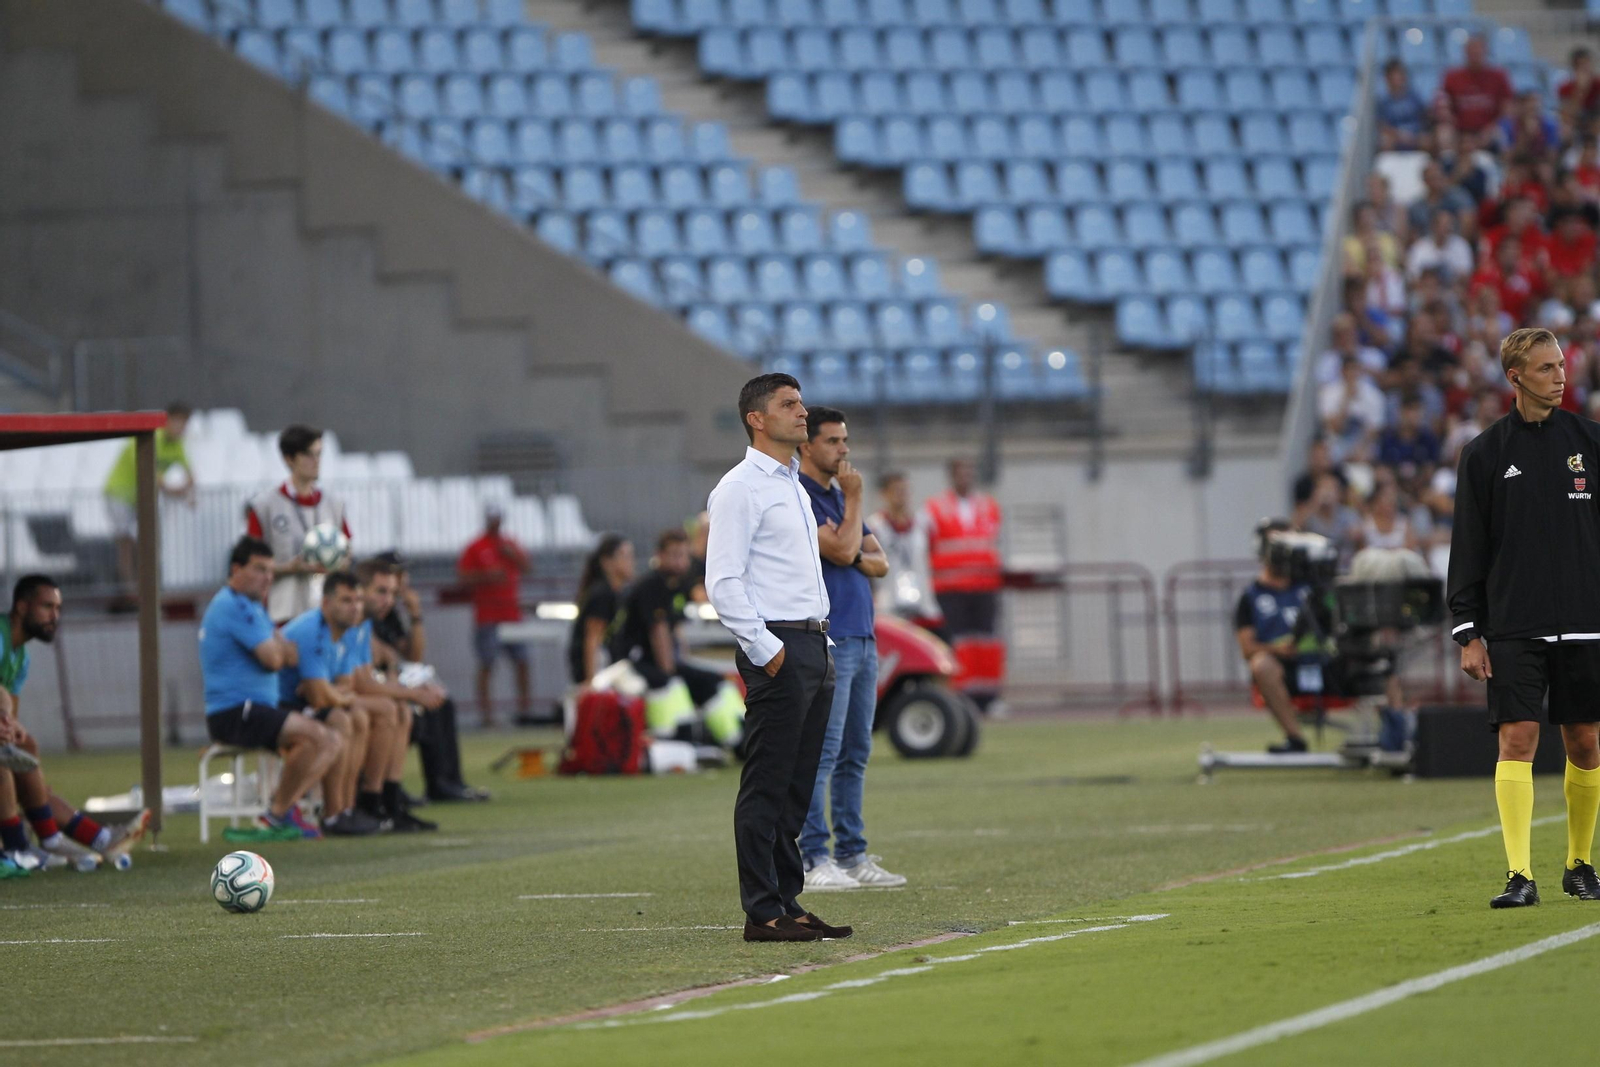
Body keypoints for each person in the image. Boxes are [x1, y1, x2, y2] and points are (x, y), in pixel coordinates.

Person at [1448, 327, 1600, 908]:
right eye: (1545, 368)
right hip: (1514, 625)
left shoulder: (1590, 441)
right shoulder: (1484, 454)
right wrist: (1468, 631)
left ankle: (1580, 864)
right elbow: (1469, 548)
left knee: (1585, 742)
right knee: (1517, 739)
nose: (1560, 376)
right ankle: (1519, 876)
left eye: (1561, 365)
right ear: (1515, 377)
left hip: (1586, 623)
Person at [706, 373, 846, 943]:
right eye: (788, 405)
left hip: (814, 643)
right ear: (756, 419)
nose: (802, 413)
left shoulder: (791, 481)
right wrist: (768, 651)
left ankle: (787, 900)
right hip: (780, 648)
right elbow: (723, 581)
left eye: (802, 403)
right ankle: (762, 910)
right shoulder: (741, 487)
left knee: (797, 786)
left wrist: (821, 646)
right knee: (767, 784)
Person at [796, 406, 901, 891]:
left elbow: (881, 563)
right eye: (834, 441)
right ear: (807, 446)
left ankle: (853, 853)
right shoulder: (802, 497)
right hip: (830, 636)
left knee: (856, 750)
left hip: (863, 634)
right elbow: (840, 552)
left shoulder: (839, 498)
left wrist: (853, 544)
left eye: (846, 441)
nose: (844, 451)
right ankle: (814, 856)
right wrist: (854, 501)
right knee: (824, 750)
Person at [0, 575, 152, 868]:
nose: (54, 616)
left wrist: (11, 726)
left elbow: (12, 720)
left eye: (58, 609)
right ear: (21, 607)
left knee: (25, 749)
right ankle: (23, 847)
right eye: (47, 607)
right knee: (6, 761)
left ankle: (78, 840)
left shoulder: (22, 658)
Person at [199, 538, 341, 841]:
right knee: (315, 735)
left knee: (330, 740)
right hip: (235, 712)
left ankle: (284, 810)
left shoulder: (252, 607)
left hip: (258, 709)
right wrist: (279, 650)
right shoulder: (234, 605)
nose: (267, 577)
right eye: (259, 569)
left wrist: (280, 649)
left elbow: (288, 651)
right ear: (236, 569)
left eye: (270, 570)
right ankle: (276, 815)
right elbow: (277, 658)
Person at [363, 555, 488, 802]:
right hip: (376, 685)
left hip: (387, 679)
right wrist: (411, 690)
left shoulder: (388, 613)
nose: (404, 582)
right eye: (400, 574)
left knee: (442, 702)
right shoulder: (363, 616)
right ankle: (391, 790)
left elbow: (413, 656)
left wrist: (415, 614)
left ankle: (448, 781)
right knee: (411, 707)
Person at [277, 571, 392, 835]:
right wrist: (335, 693)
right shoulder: (311, 630)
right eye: (346, 600)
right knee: (344, 718)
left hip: (305, 702)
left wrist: (333, 692)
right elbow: (319, 697)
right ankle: (331, 814)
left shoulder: (345, 631)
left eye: (358, 600)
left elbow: (344, 685)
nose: (355, 608)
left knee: (358, 715)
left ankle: (346, 810)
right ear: (326, 603)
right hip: (281, 704)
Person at [612, 529, 742, 743]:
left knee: (716, 681)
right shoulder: (652, 585)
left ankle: (737, 738)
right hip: (635, 662)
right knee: (672, 685)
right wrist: (673, 671)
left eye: (683, 555)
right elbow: (658, 632)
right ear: (660, 555)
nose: (680, 561)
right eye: (674, 554)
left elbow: (675, 630)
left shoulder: (677, 586)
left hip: (662, 661)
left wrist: (683, 663)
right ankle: (676, 739)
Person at [339, 577, 438, 832]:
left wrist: (402, 686)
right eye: (381, 592)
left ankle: (388, 802)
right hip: (311, 699)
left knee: (400, 711)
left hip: (341, 696)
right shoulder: (348, 624)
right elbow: (361, 684)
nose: (389, 601)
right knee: (387, 709)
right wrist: (411, 693)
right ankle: (362, 803)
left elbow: (381, 669)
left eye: (393, 594)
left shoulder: (364, 626)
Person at [247, 425, 350, 624]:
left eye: (319, 454)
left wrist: (337, 562)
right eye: (309, 455)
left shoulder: (333, 504)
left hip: (326, 615)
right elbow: (251, 566)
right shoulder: (265, 506)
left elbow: (347, 553)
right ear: (289, 459)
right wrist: (290, 568)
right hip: (283, 615)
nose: (316, 462)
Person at [923, 458, 1004, 705]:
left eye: (970, 471)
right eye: (961, 472)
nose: (966, 477)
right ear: (951, 476)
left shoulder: (988, 505)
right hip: (950, 588)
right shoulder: (934, 509)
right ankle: (959, 694)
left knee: (987, 641)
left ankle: (989, 697)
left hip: (984, 586)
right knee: (957, 642)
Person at [1234, 523, 1315, 755]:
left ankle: (1395, 730)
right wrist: (1279, 650)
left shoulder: (1311, 588)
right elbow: (1247, 648)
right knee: (1261, 664)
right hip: (1287, 670)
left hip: (1324, 663)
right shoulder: (1250, 597)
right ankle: (1295, 737)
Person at [104, 401, 194, 593]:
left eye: (185, 424)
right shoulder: (149, 438)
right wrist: (175, 491)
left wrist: (188, 492)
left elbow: (189, 473)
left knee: (150, 538)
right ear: (168, 420)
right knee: (125, 542)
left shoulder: (177, 445)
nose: (182, 428)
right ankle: (127, 587)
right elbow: (150, 473)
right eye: (179, 422)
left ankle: (148, 585)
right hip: (119, 494)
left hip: (140, 498)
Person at [457, 504, 532, 727]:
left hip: (511, 614)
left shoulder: (510, 544)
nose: (495, 523)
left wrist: (513, 556)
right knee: (487, 664)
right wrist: (486, 576)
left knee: (522, 662)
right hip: (488, 616)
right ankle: (487, 715)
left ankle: (524, 711)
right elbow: (463, 577)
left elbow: (528, 568)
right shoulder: (475, 546)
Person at [868, 470, 938, 621]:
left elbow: (932, 555)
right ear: (884, 494)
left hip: (923, 606)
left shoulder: (923, 524)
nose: (902, 495)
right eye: (896, 491)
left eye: (905, 490)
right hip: (888, 605)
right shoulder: (875, 527)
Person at [568, 534, 635, 686]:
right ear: (607, 562)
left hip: (610, 665)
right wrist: (592, 681)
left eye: (631, 556)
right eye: (624, 556)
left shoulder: (619, 593)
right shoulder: (601, 594)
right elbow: (592, 639)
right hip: (598, 669)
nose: (630, 562)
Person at [1438, 33, 1515, 138]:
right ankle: (1447, 155)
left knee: (1502, 132)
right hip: (1460, 131)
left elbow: (1508, 109)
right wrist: (1449, 119)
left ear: (1485, 51)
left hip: (1490, 129)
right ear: (1465, 52)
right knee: (1444, 133)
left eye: (1478, 49)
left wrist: (1492, 128)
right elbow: (1443, 105)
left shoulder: (1499, 76)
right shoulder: (1451, 77)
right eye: (1471, 49)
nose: (1475, 53)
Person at [1377, 59, 1428, 152]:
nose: (1400, 78)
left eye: (1401, 74)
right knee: (1385, 141)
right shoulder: (1384, 102)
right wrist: (1400, 135)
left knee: (1427, 140)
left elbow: (1425, 118)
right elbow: (1382, 126)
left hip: (1416, 138)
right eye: (1395, 75)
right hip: (1395, 139)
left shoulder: (1415, 97)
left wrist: (1415, 137)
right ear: (1388, 78)